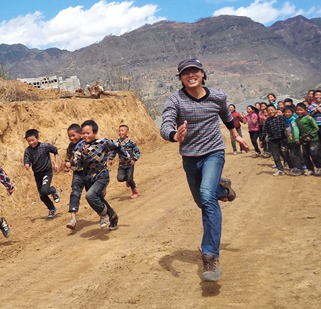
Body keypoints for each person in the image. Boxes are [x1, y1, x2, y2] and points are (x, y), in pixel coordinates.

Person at [160, 59, 248, 282]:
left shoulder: (217, 96)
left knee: (207, 198)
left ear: (202, 73)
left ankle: (210, 256)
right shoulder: (175, 100)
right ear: (180, 78)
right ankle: (223, 189)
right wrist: (174, 135)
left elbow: (226, 116)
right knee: (202, 201)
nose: (190, 75)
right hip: (190, 157)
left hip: (213, 152)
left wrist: (235, 134)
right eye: (185, 73)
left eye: (194, 71)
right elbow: (166, 123)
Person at [73, 120, 129, 231]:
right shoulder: (79, 146)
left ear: (95, 132)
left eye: (88, 133)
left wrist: (126, 157)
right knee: (98, 199)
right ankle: (113, 216)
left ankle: (104, 215)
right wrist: (84, 154)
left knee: (90, 196)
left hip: (102, 175)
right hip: (88, 178)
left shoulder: (103, 142)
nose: (85, 135)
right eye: (83, 133)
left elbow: (117, 146)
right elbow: (77, 164)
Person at [24, 129, 61, 218]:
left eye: (33, 140)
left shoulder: (45, 146)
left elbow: (55, 151)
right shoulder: (28, 151)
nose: (31, 143)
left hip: (47, 172)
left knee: (44, 191)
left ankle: (53, 190)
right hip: (37, 175)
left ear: (37, 138)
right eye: (29, 141)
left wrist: (56, 163)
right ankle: (52, 209)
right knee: (42, 196)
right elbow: (27, 160)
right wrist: (27, 165)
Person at [108, 124, 141, 199]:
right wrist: (111, 158)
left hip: (130, 164)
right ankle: (128, 180)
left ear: (127, 132)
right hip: (121, 165)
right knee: (120, 178)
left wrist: (134, 159)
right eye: (119, 131)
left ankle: (135, 192)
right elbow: (114, 151)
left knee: (130, 179)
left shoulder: (131, 142)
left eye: (122, 131)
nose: (120, 132)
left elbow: (137, 152)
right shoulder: (117, 143)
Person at [65, 123, 85, 229]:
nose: (72, 138)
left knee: (93, 195)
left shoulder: (86, 143)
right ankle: (73, 219)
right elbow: (68, 154)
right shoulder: (71, 146)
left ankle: (104, 214)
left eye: (74, 135)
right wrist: (66, 162)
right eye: (70, 136)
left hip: (89, 172)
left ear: (80, 133)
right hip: (77, 173)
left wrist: (71, 163)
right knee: (75, 193)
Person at [295, 103, 321, 176]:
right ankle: (310, 169)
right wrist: (299, 136)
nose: (299, 112)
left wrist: (310, 136)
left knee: (314, 153)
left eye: (301, 110)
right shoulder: (297, 120)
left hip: (313, 139)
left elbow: (316, 128)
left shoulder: (309, 118)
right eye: (297, 110)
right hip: (304, 140)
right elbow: (298, 130)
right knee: (305, 155)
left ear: (305, 110)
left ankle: (319, 167)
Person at [264, 104, 288, 176]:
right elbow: (265, 131)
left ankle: (291, 167)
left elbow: (286, 128)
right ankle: (280, 169)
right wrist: (262, 140)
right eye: (269, 111)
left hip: (282, 139)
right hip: (273, 140)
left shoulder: (282, 118)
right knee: (275, 155)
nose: (270, 112)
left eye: (272, 110)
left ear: (276, 110)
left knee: (285, 154)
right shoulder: (267, 121)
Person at [283, 105, 302, 176]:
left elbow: (295, 129)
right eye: (286, 112)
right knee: (292, 154)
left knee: (295, 155)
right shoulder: (285, 119)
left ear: (292, 112)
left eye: (289, 112)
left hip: (295, 140)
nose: (287, 113)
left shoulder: (293, 120)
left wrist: (296, 139)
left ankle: (299, 169)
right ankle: (297, 167)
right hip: (289, 140)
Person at [308, 90, 321, 154]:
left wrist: (320, 111)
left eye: (320, 95)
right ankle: (319, 158)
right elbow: (308, 117)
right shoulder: (311, 106)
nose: (318, 96)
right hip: (315, 127)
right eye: (316, 95)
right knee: (317, 143)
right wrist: (313, 112)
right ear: (313, 97)